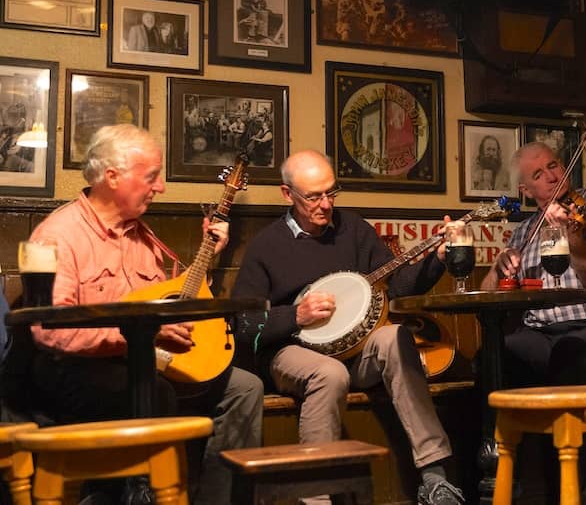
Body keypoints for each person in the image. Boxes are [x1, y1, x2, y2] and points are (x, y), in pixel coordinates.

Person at [25, 124, 264, 505]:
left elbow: (168, 296)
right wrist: (142, 336)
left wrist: (209, 254)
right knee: (152, 391)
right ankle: (133, 495)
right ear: (112, 177)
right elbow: (50, 332)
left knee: (245, 387)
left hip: (145, 360)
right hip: (77, 369)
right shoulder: (59, 236)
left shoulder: (141, 235)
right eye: (151, 177)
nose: (161, 188)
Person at [231, 150, 464, 505]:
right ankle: (316, 498)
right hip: (292, 352)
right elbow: (244, 325)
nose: (326, 204)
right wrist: (295, 316)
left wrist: (437, 260)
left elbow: (399, 285)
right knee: (329, 374)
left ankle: (434, 478)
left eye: (331, 192)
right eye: (313, 196)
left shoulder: (353, 229)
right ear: (286, 194)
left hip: (357, 350)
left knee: (395, 337)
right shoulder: (266, 246)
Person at [481, 142, 586, 386]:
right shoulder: (525, 231)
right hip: (541, 332)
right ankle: (501, 425)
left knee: (568, 352)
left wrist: (570, 236)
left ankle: (566, 425)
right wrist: (496, 267)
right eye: (538, 175)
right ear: (526, 190)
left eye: (553, 166)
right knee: (495, 353)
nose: (552, 177)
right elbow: (488, 296)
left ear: (563, 166)